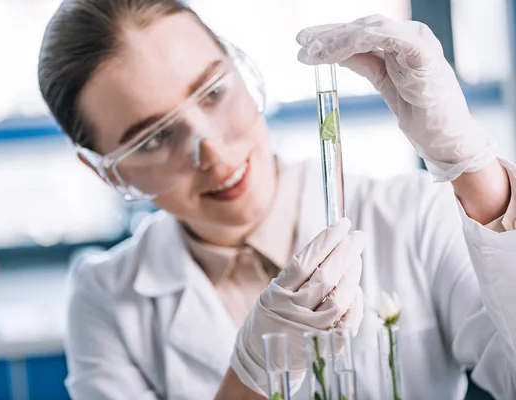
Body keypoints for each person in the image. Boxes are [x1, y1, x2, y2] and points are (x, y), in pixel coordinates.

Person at [37, 1, 516, 399]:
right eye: (151, 140)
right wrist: (253, 377)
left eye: (213, 91)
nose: (213, 151)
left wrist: (473, 168)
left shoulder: (409, 216)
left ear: (240, 68)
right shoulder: (106, 301)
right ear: (105, 171)